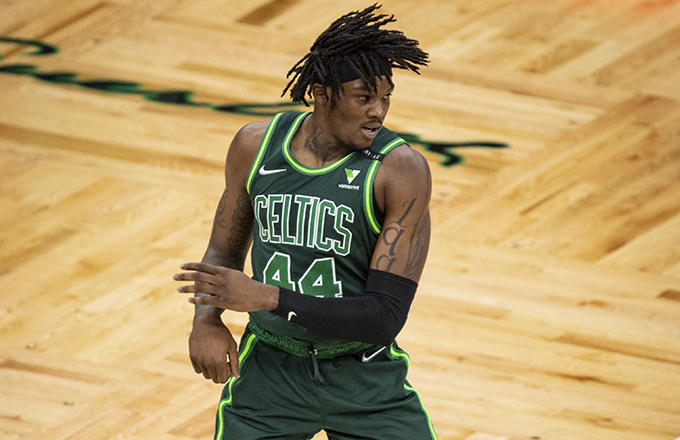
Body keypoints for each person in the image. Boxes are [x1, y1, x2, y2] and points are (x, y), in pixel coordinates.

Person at [173, 4, 436, 439]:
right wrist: (206, 321)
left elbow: (384, 317)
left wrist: (267, 297)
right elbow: (223, 251)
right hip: (268, 375)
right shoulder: (255, 145)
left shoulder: (399, 169)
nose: (378, 111)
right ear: (320, 93)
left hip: (365, 379)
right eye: (364, 97)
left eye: (386, 97)